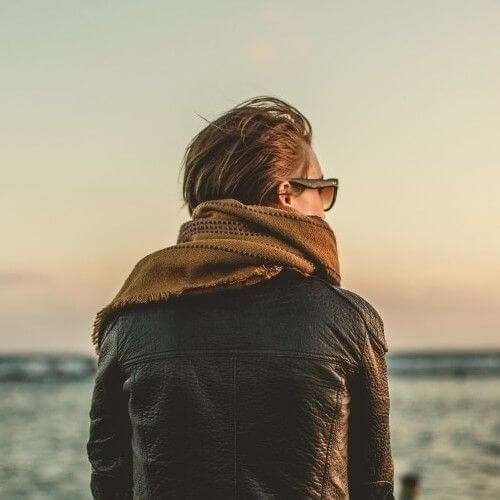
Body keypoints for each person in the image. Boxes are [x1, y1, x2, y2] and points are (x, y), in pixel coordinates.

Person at [86, 96, 395, 499]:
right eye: (323, 190)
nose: (324, 208)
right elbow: (375, 488)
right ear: (288, 194)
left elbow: (109, 476)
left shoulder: (128, 322)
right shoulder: (349, 320)